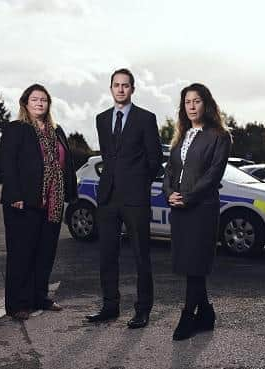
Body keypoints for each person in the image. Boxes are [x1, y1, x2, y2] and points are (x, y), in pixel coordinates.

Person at [85, 68, 163, 328]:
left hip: (135, 199)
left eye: (125, 85)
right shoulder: (102, 119)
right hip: (107, 197)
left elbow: (154, 160)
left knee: (141, 256)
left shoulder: (145, 118)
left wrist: (139, 184)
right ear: (111, 89)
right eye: (116, 85)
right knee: (107, 254)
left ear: (132, 89)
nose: (121, 89)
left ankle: (142, 309)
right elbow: (109, 156)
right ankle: (110, 306)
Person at [0, 84, 77, 320]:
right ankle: (17, 304)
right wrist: (15, 196)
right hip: (23, 202)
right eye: (35, 99)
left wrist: (70, 195)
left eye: (44, 100)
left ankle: (40, 297)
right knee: (21, 254)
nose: (40, 103)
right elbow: (8, 164)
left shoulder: (57, 130)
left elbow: (67, 163)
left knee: (45, 253)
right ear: (25, 103)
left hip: (52, 203)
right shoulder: (16, 129)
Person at [163, 83, 231, 340]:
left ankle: (188, 316)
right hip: (179, 208)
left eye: (196, 101)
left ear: (207, 104)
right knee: (190, 265)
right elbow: (169, 171)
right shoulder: (180, 135)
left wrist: (188, 198)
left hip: (201, 209)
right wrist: (169, 193)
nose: (191, 106)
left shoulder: (219, 136)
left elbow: (214, 175)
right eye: (187, 102)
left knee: (195, 263)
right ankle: (206, 313)